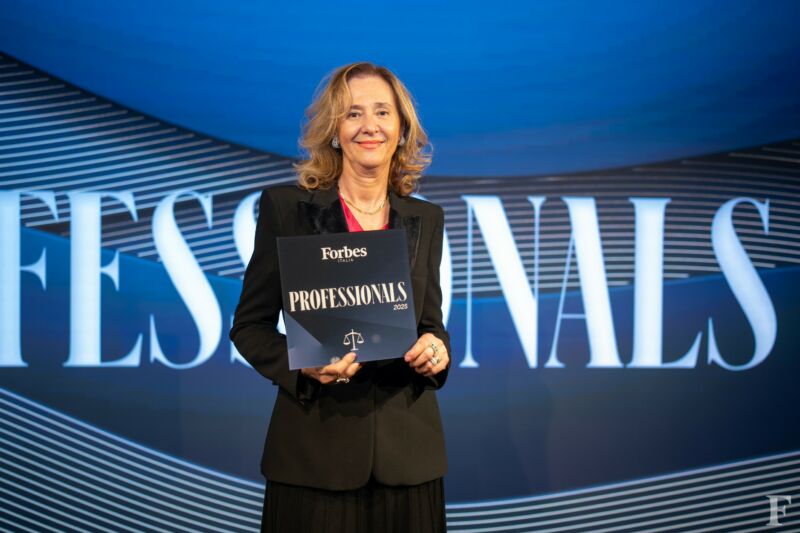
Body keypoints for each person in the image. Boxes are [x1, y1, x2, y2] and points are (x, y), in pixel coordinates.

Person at [230, 62, 451, 533]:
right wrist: (302, 366)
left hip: (409, 459)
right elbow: (249, 327)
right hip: (314, 457)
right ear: (334, 130)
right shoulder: (287, 210)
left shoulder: (427, 218)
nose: (369, 125)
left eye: (382, 112)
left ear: (401, 128)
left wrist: (436, 349)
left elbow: (430, 324)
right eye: (353, 114)